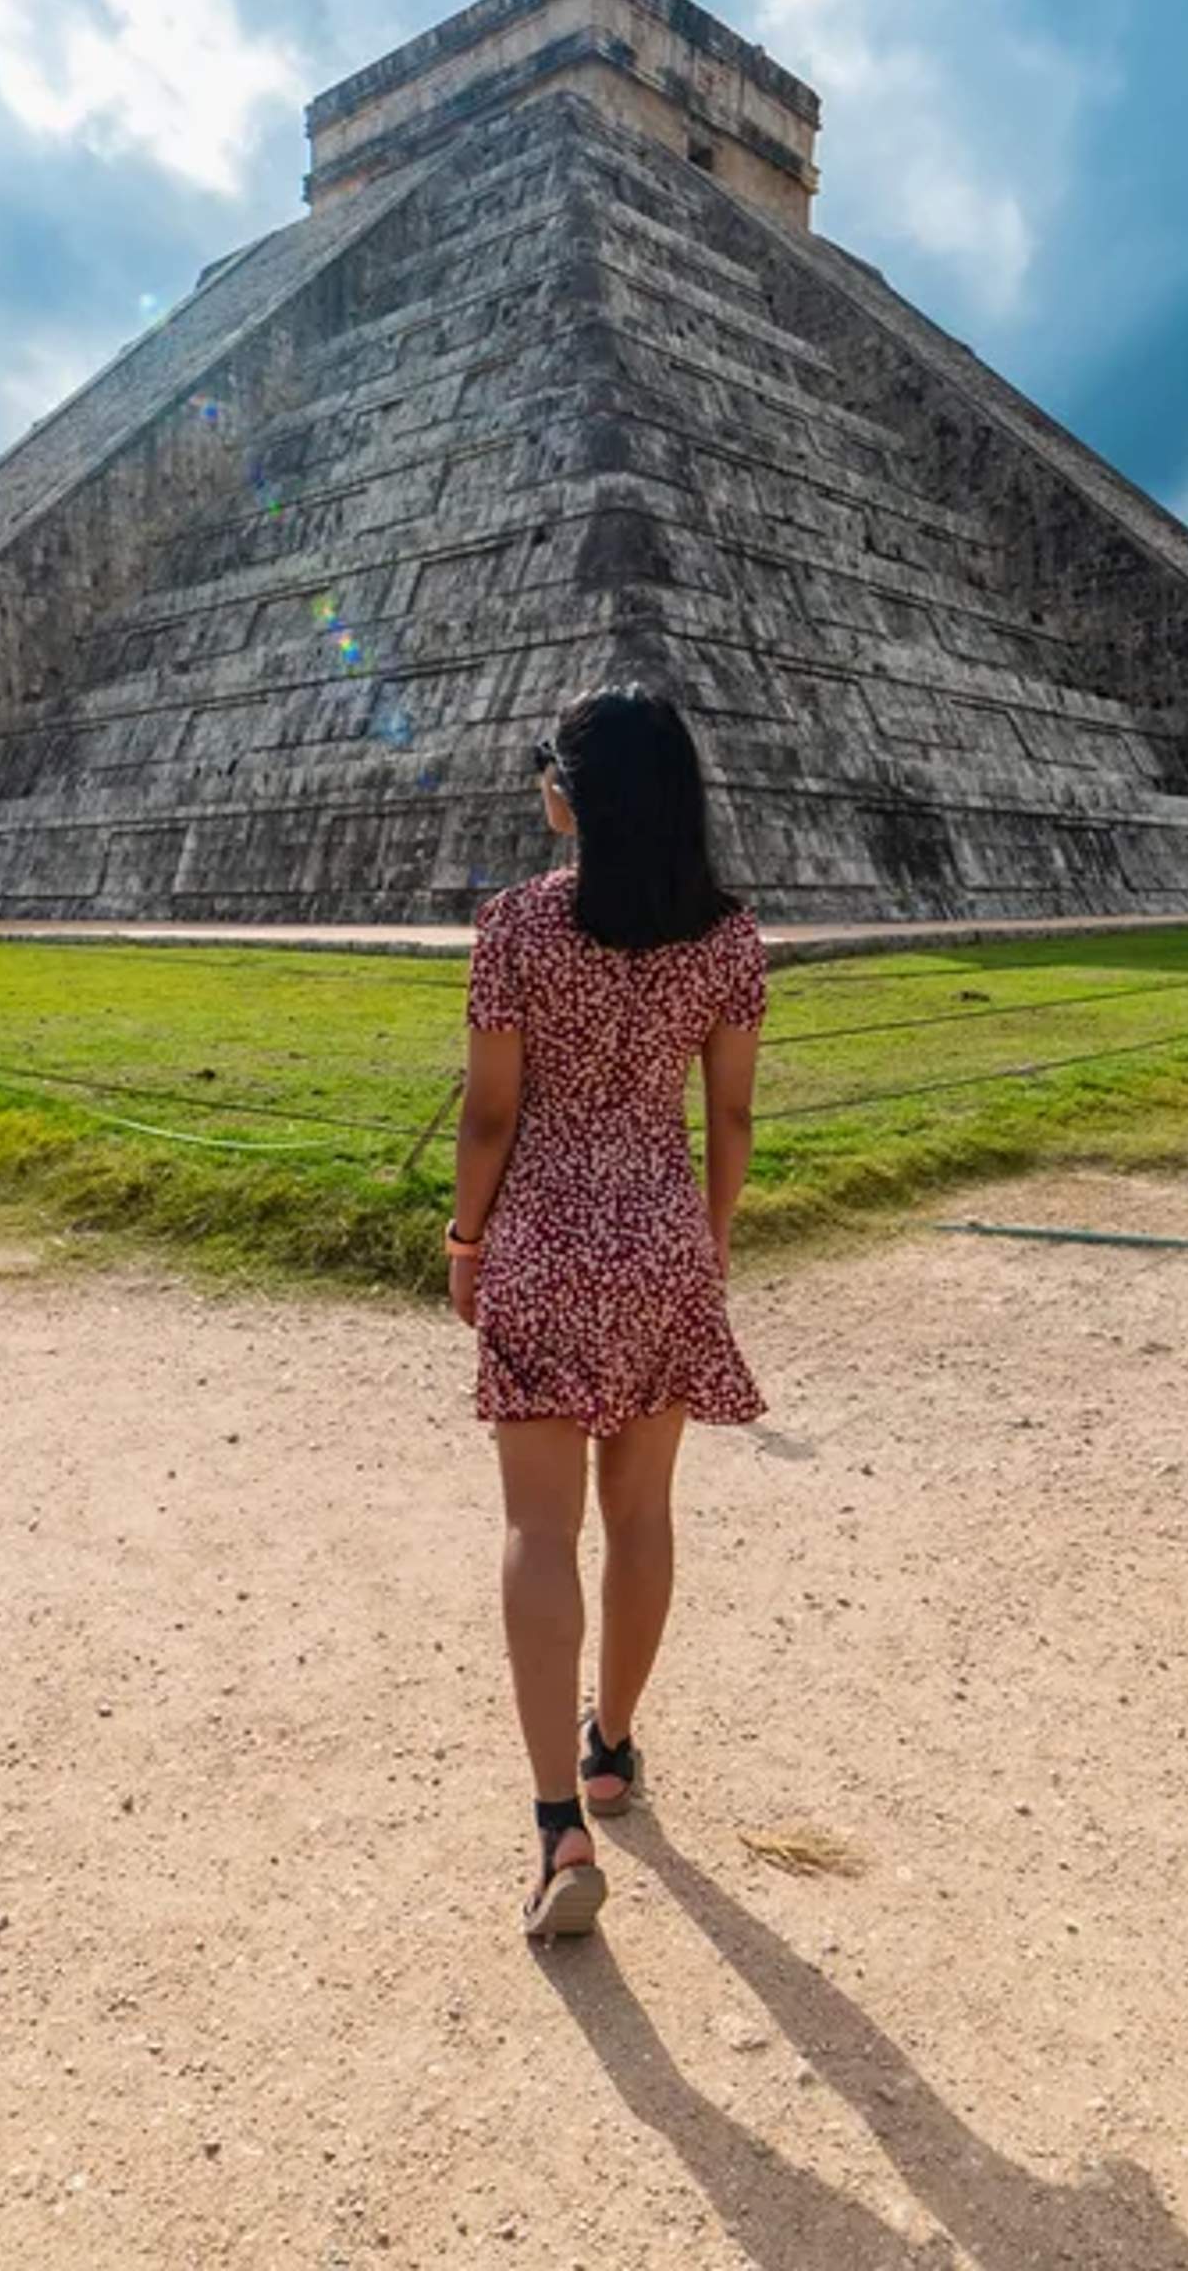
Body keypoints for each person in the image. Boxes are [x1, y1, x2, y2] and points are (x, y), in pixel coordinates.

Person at [450, 684, 768, 1940]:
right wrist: (711, 1242)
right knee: (642, 1517)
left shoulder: (516, 926)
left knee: (541, 1529)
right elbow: (731, 1117)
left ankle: (555, 1828)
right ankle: (615, 1749)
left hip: (540, 1236)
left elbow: (489, 1115)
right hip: (663, 1236)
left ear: (569, 795)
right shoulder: (731, 938)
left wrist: (465, 1238)